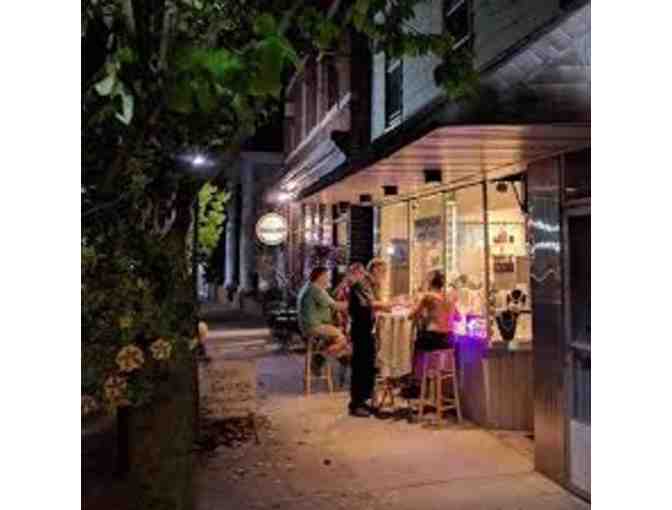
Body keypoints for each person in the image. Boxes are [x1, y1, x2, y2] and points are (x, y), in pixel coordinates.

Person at [348, 258, 390, 417]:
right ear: (375, 270)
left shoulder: (371, 284)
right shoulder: (362, 284)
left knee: (368, 366)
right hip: (361, 329)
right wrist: (390, 304)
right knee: (360, 366)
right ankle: (356, 404)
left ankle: (365, 401)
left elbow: (376, 304)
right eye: (383, 272)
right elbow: (370, 304)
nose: (384, 276)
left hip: (366, 328)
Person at [409, 271, 461, 381]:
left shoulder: (428, 296)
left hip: (434, 338)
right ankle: (430, 376)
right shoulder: (449, 297)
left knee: (413, 343)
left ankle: (416, 379)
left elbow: (411, 315)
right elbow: (458, 317)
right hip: (449, 339)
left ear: (429, 282)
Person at [297, 267, 349, 369]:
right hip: (315, 326)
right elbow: (335, 305)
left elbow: (330, 300)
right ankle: (321, 357)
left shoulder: (309, 287)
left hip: (307, 326)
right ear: (320, 277)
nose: (328, 279)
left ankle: (329, 357)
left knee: (333, 339)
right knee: (343, 339)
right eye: (327, 276)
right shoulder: (316, 290)